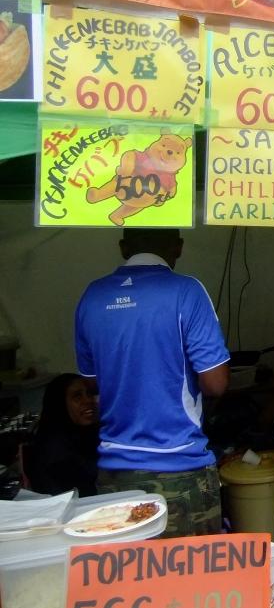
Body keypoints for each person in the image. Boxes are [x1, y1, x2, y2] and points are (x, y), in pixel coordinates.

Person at [74, 228, 230, 537]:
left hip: (114, 476)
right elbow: (216, 383)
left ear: (123, 248)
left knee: (127, 569)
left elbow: (91, 382)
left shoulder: (93, 296)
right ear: (179, 247)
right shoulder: (187, 291)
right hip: (180, 470)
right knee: (190, 569)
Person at [24, 373, 100, 496]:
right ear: (60, 404)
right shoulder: (54, 449)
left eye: (90, 394)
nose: (88, 400)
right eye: (77, 396)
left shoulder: (90, 433)